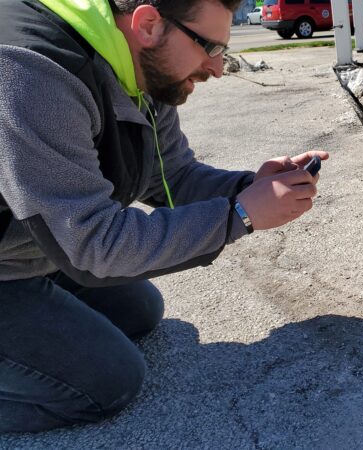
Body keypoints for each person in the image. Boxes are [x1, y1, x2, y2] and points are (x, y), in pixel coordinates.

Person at [0, 0, 328, 432]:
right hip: (39, 249)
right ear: (149, 24)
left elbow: (171, 175)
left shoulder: (140, 67)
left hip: (25, 243)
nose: (218, 69)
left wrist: (248, 188)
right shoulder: (32, 72)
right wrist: (241, 215)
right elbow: (93, 247)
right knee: (108, 381)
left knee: (140, 311)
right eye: (209, 47)